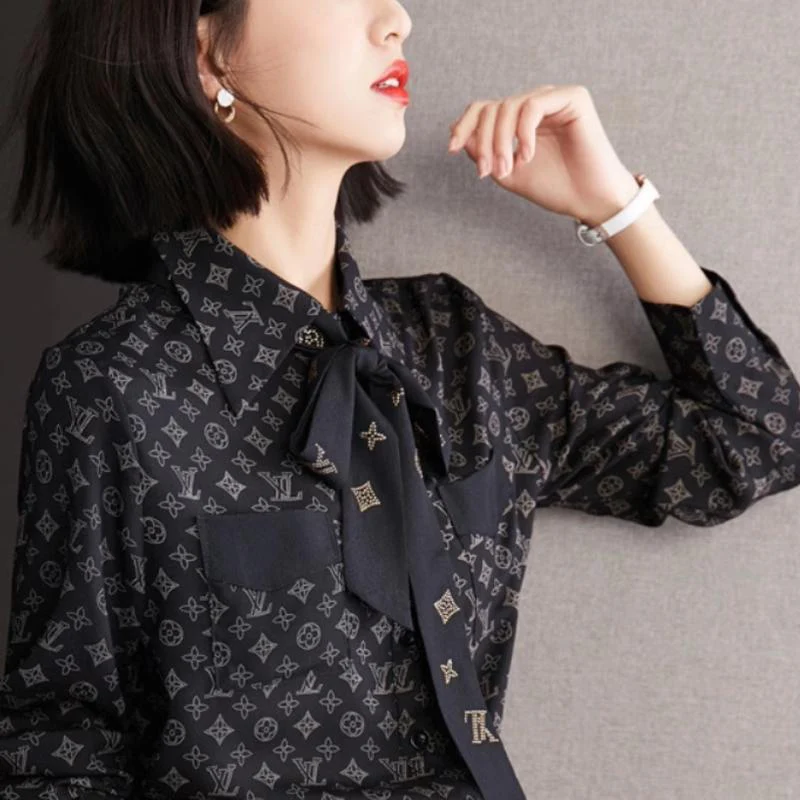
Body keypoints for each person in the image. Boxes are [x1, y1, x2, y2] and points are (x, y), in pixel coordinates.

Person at [2, 1, 800, 798]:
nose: (397, 20)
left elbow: (756, 439)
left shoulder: (456, 348)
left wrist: (616, 206)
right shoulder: (111, 388)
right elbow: (57, 753)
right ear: (207, 55)